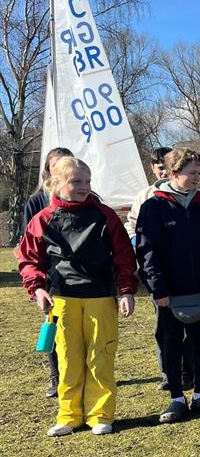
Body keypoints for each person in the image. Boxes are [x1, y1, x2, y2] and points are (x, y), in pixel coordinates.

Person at [18, 157, 137, 436]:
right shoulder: (43, 219)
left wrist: (127, 290)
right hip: (62, 298)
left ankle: (100, 415)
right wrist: (37, 288)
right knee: (68, 359)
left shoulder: (105, 215)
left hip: (100, 297)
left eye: (87, 181)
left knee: (101, 356)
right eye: (76, 182)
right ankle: (69, 415)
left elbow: (124, 256)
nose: (84, 187)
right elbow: (28, 259)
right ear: (57, 184)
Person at [136, 148, 200, 424]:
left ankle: (199, 394)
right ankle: (175, 396)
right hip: (168, 294)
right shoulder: (154, 206)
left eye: (199, 173)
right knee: (170, 343)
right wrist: (158, 289)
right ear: (173, 173)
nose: (197, 178)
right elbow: (147, 252)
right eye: (191, 173)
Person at [126, 147, 191, 392]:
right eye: (159, 166)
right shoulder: (146, 197)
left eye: (167, 166)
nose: (163, 171)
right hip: (159, 275)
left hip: (186, 274)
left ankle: (189, 371)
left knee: (190, 324)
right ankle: (167, 372)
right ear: (153, 168)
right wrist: (138, 243)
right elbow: (132, 226)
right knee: (164, 326)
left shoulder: (193, 195)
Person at [18, 146, 73, 399]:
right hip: (50, 276)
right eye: (55, 164)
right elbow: (28, 241)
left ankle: (77, 373)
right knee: (52, 324)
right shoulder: (37, 201)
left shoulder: (84, 195)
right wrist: (36, 280)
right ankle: (56, 376)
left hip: (77, 275)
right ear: (48, 170)